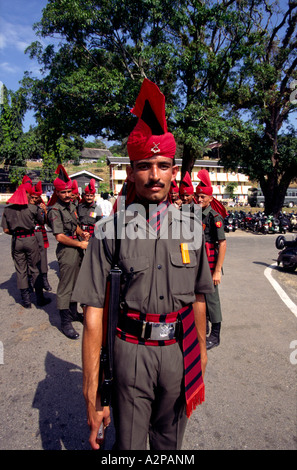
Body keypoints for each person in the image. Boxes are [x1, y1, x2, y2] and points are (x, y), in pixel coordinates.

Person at [72, 78, 214, 450]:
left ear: (173, 171)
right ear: (131, 171)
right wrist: (92, 389)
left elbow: (200, 297)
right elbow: (93, 313)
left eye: (163, 165)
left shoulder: (191, 228)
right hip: (130, 352)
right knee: (130, 448)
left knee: (171, 446)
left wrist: (198, 357)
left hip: (180, 352)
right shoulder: (109, 231)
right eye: (145, 165)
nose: (155, 175)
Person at [47, 165, 90, 340]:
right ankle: (65, 322)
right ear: (57, 193)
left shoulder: (70, 205)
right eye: (63, 192)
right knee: (65, 287)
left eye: (68, 191)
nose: (67, 195)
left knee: (77, 283)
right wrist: (79, 245)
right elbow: (59, 237)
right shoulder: (55, 211)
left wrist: (81, 233)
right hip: (67, 251)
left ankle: (73, 313)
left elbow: (75, 224)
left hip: (77, 246)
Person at [1, 177, 51, 308]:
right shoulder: (32, 208)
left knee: (21, 270)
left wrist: (16, 233)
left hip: (16, 240)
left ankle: (26, 301)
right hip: (30, 238)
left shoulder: (7, 210)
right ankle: (39, 298)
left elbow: (6, 229)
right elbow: (41, 222)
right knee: (34, 268)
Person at [196, 169, 227, 350]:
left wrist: (217, 271)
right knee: (201, 297)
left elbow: (222, 244)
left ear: (209, 198)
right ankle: (204, 328)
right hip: (199, 263)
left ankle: (215, 335)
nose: (198, 200)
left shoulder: (214, 217)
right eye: (197, 197)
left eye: (202, 197)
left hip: (210, 263)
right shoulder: (195, 213)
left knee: (212, 299)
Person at [30, 181, 52, 292]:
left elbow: (46, 222)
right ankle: (32, 283)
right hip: (30, 234)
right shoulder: (26, 205)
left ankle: (44, 280)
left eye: (37, 197)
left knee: (43, 259)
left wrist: (44, 210)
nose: (36, 199)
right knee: (31, 261)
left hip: (41, 232)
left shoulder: (41, 204)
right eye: (33, 197)